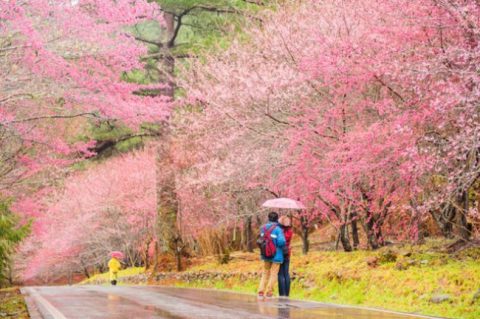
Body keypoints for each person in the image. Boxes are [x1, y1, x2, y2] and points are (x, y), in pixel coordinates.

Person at [258, 211, 286, 299]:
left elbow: (261, 239)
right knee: (274, 274)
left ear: (268, 218)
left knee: (265, 273)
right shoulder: (278, 229)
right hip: (276, 255)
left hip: (265, 254)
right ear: (277, 219)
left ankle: (261, 291)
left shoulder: (263, 228)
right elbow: (281, 242)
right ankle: (269, 292)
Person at [278, 215, 293, 297]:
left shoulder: (280, 231)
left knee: (280, 274)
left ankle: (282, 293)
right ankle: (287, 293)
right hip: (287, 252)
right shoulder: (290, 231)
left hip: (280, 253)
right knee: (286, 273)